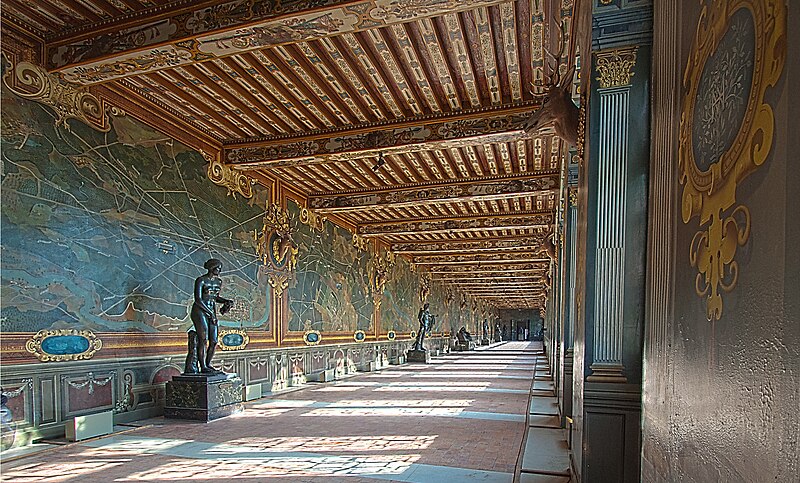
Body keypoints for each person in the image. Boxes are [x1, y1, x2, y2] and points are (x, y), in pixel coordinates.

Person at [186, 258, 233, 374]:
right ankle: (202, 366)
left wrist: (226, 301)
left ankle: (207, 364)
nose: (219, 271)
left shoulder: (218, 282)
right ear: (212, 268)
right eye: (218, 268)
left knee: (214, 340)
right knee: (203, 339)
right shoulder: (201, 280)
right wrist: (210, 313)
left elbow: (214, 297)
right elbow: (198, 300)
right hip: (199, 311)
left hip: (211, 311)